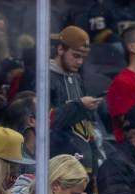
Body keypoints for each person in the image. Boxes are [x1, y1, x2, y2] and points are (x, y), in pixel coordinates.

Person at [49, 26, 103, 177]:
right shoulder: (44, 78)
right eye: (75, 56)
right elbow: (47, 119)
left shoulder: (77, 78)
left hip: (82, 157)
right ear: (60, 50)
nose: (80, 62)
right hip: (57, 161)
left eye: (83, 57)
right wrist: (79, 105)